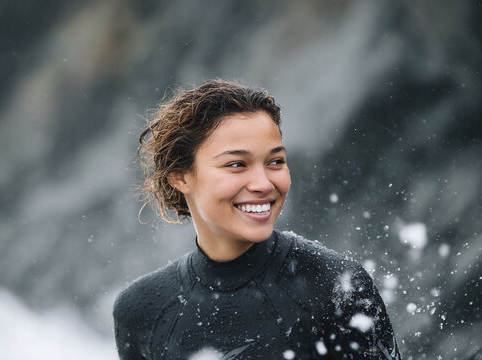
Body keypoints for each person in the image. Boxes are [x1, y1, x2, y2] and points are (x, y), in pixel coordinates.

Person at [113, 80, 401, 359]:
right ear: (180, 177)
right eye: (237, 164)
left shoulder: (335, 286)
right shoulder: (140, 311)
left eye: (275, 162)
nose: (263, 183)